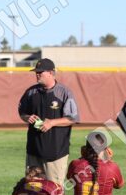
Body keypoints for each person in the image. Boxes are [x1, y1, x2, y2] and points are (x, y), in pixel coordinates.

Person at [18, 58, 80, 186]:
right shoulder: (31, 92)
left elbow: (73, 118)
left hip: (55, 153)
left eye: (41, 72)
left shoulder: (64, 93)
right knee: (32, 189)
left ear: (51, 73)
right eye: (36, 71)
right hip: (34, 151)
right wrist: (27, 117)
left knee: (54, 191)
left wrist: (52, 122)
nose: (37, 74)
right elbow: (22, 112)